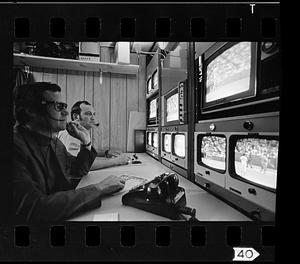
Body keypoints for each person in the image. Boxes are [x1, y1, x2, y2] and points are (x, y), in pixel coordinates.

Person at [13, 82, 125, 222]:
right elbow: (34, 208)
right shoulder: (13, 148)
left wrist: (86, 143)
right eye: (58, 107)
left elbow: (76, 171)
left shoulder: (55, 142)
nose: (66, 113)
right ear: (32, 110)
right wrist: (99, 188)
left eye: (64, 106)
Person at [58, 101, 130, 170]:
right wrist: (117, 161)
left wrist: (105, 152)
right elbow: (83, 164)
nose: (93, 117)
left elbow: (84, 153)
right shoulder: (72, 134)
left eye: (94, 114)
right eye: (88, 114)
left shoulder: (76, 131)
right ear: (76, 116)